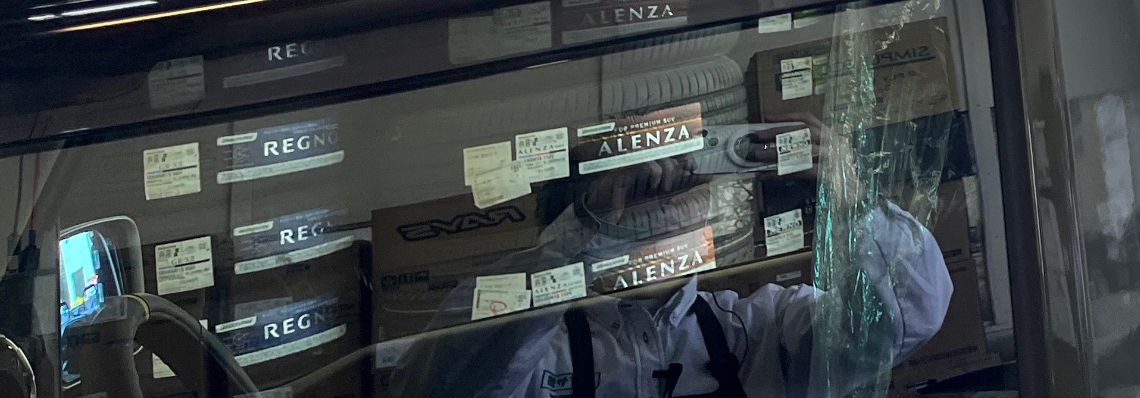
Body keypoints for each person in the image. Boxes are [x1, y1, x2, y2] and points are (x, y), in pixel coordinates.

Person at [393, 118, 953, 398]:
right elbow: (439, 385)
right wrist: (581, 237)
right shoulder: (539, 351)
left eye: (680, 188)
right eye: (639, 190)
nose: (665, 206)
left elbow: (905, 322)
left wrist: (854, 205)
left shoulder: (754, 328)